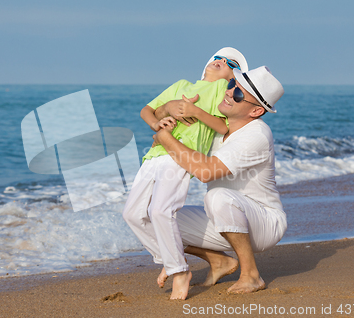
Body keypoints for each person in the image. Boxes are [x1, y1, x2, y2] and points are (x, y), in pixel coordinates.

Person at [123, 48, 249, 300]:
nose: (220, 62)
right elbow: (147, 111)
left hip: (182, 157)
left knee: (161, 211)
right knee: (132, 214)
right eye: (217, 59)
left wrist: (196, 113)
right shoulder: (181, 84)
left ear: (232, 78)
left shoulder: (219, 93)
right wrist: (158, 122)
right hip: (154, 155)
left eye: (229, 63)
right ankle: (170, 260)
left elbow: (224, 127)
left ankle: (179, 271)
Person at [152, 66, 287, 299]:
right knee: (153, 216)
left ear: (255, 111)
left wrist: (164, 138)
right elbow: (172, 136)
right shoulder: (215, 128)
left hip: (263, 222)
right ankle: (217, 259)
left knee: (217, 197)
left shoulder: (257, 134)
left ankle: (251, 274)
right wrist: (167, 120)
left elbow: (205, 172)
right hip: (224, 218)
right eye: (231, 85)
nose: (229, 92)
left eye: (237, 94)